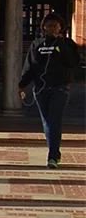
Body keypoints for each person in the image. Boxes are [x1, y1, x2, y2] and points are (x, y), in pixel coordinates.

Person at [19, 12, 81, 169]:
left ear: (60, 28)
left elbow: (72, 62)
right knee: (47, 122)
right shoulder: (37, 44)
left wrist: (60, 44)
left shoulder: (66, 44)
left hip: (60, 88)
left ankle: (53, 156)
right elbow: (30, 65)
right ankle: (53, 151)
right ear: (43, 28)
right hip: (41, 89)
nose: (52, 29)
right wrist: (23, 84)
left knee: (55, 120)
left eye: (55, 26)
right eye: (49, 26)